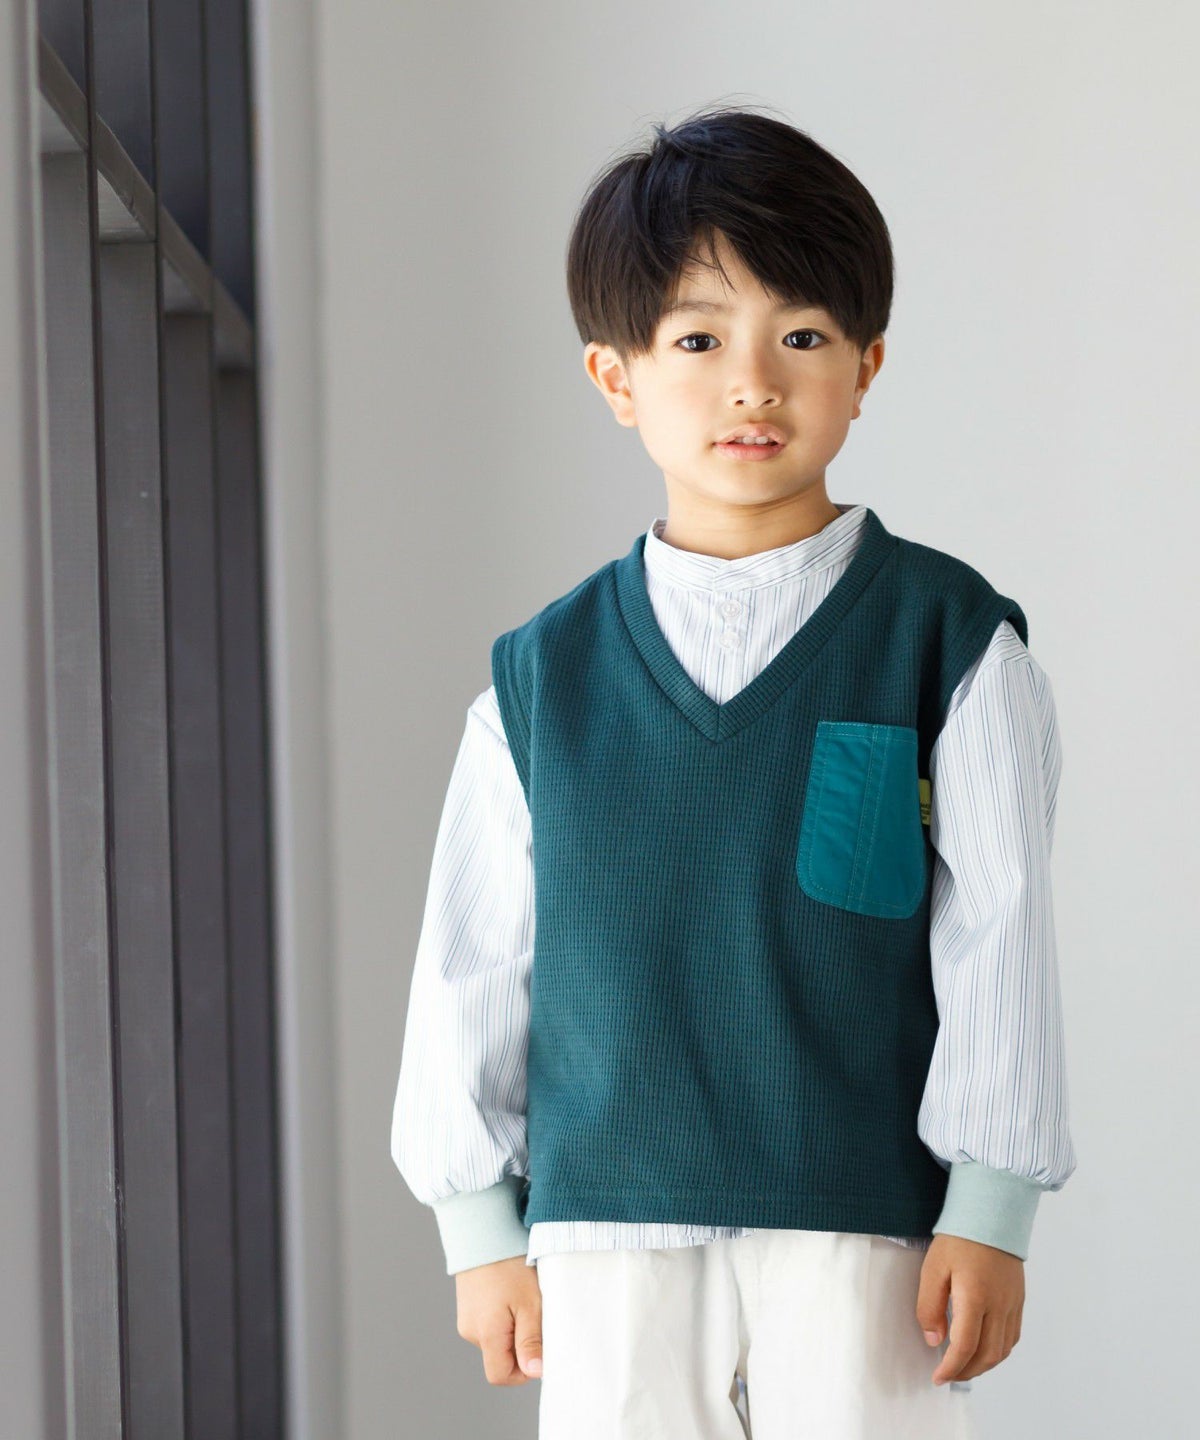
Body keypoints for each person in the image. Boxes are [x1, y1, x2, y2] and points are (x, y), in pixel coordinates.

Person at [390, 103, 1076, 1439]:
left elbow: (1000, 934)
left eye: (801, 337)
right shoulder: (543, 680)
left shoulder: (946, 641)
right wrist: (478, 1225)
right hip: (605, 1224)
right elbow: (471, 962)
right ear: (617, 377)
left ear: (867, 367)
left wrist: (993, 1206)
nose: (752, 382)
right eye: (699, 340)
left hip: (861, 1215)